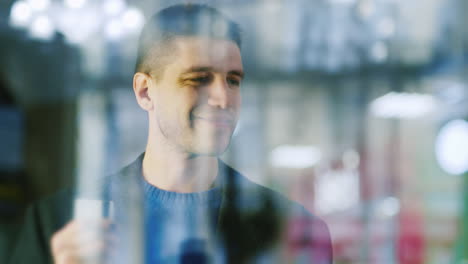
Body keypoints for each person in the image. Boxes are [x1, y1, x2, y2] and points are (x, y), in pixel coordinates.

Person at [9, 4, 332, 264]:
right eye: (199, 79)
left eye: (233, 80)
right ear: (145, 92)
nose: (223, 98)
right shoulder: (55, 224)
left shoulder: (292, 229)